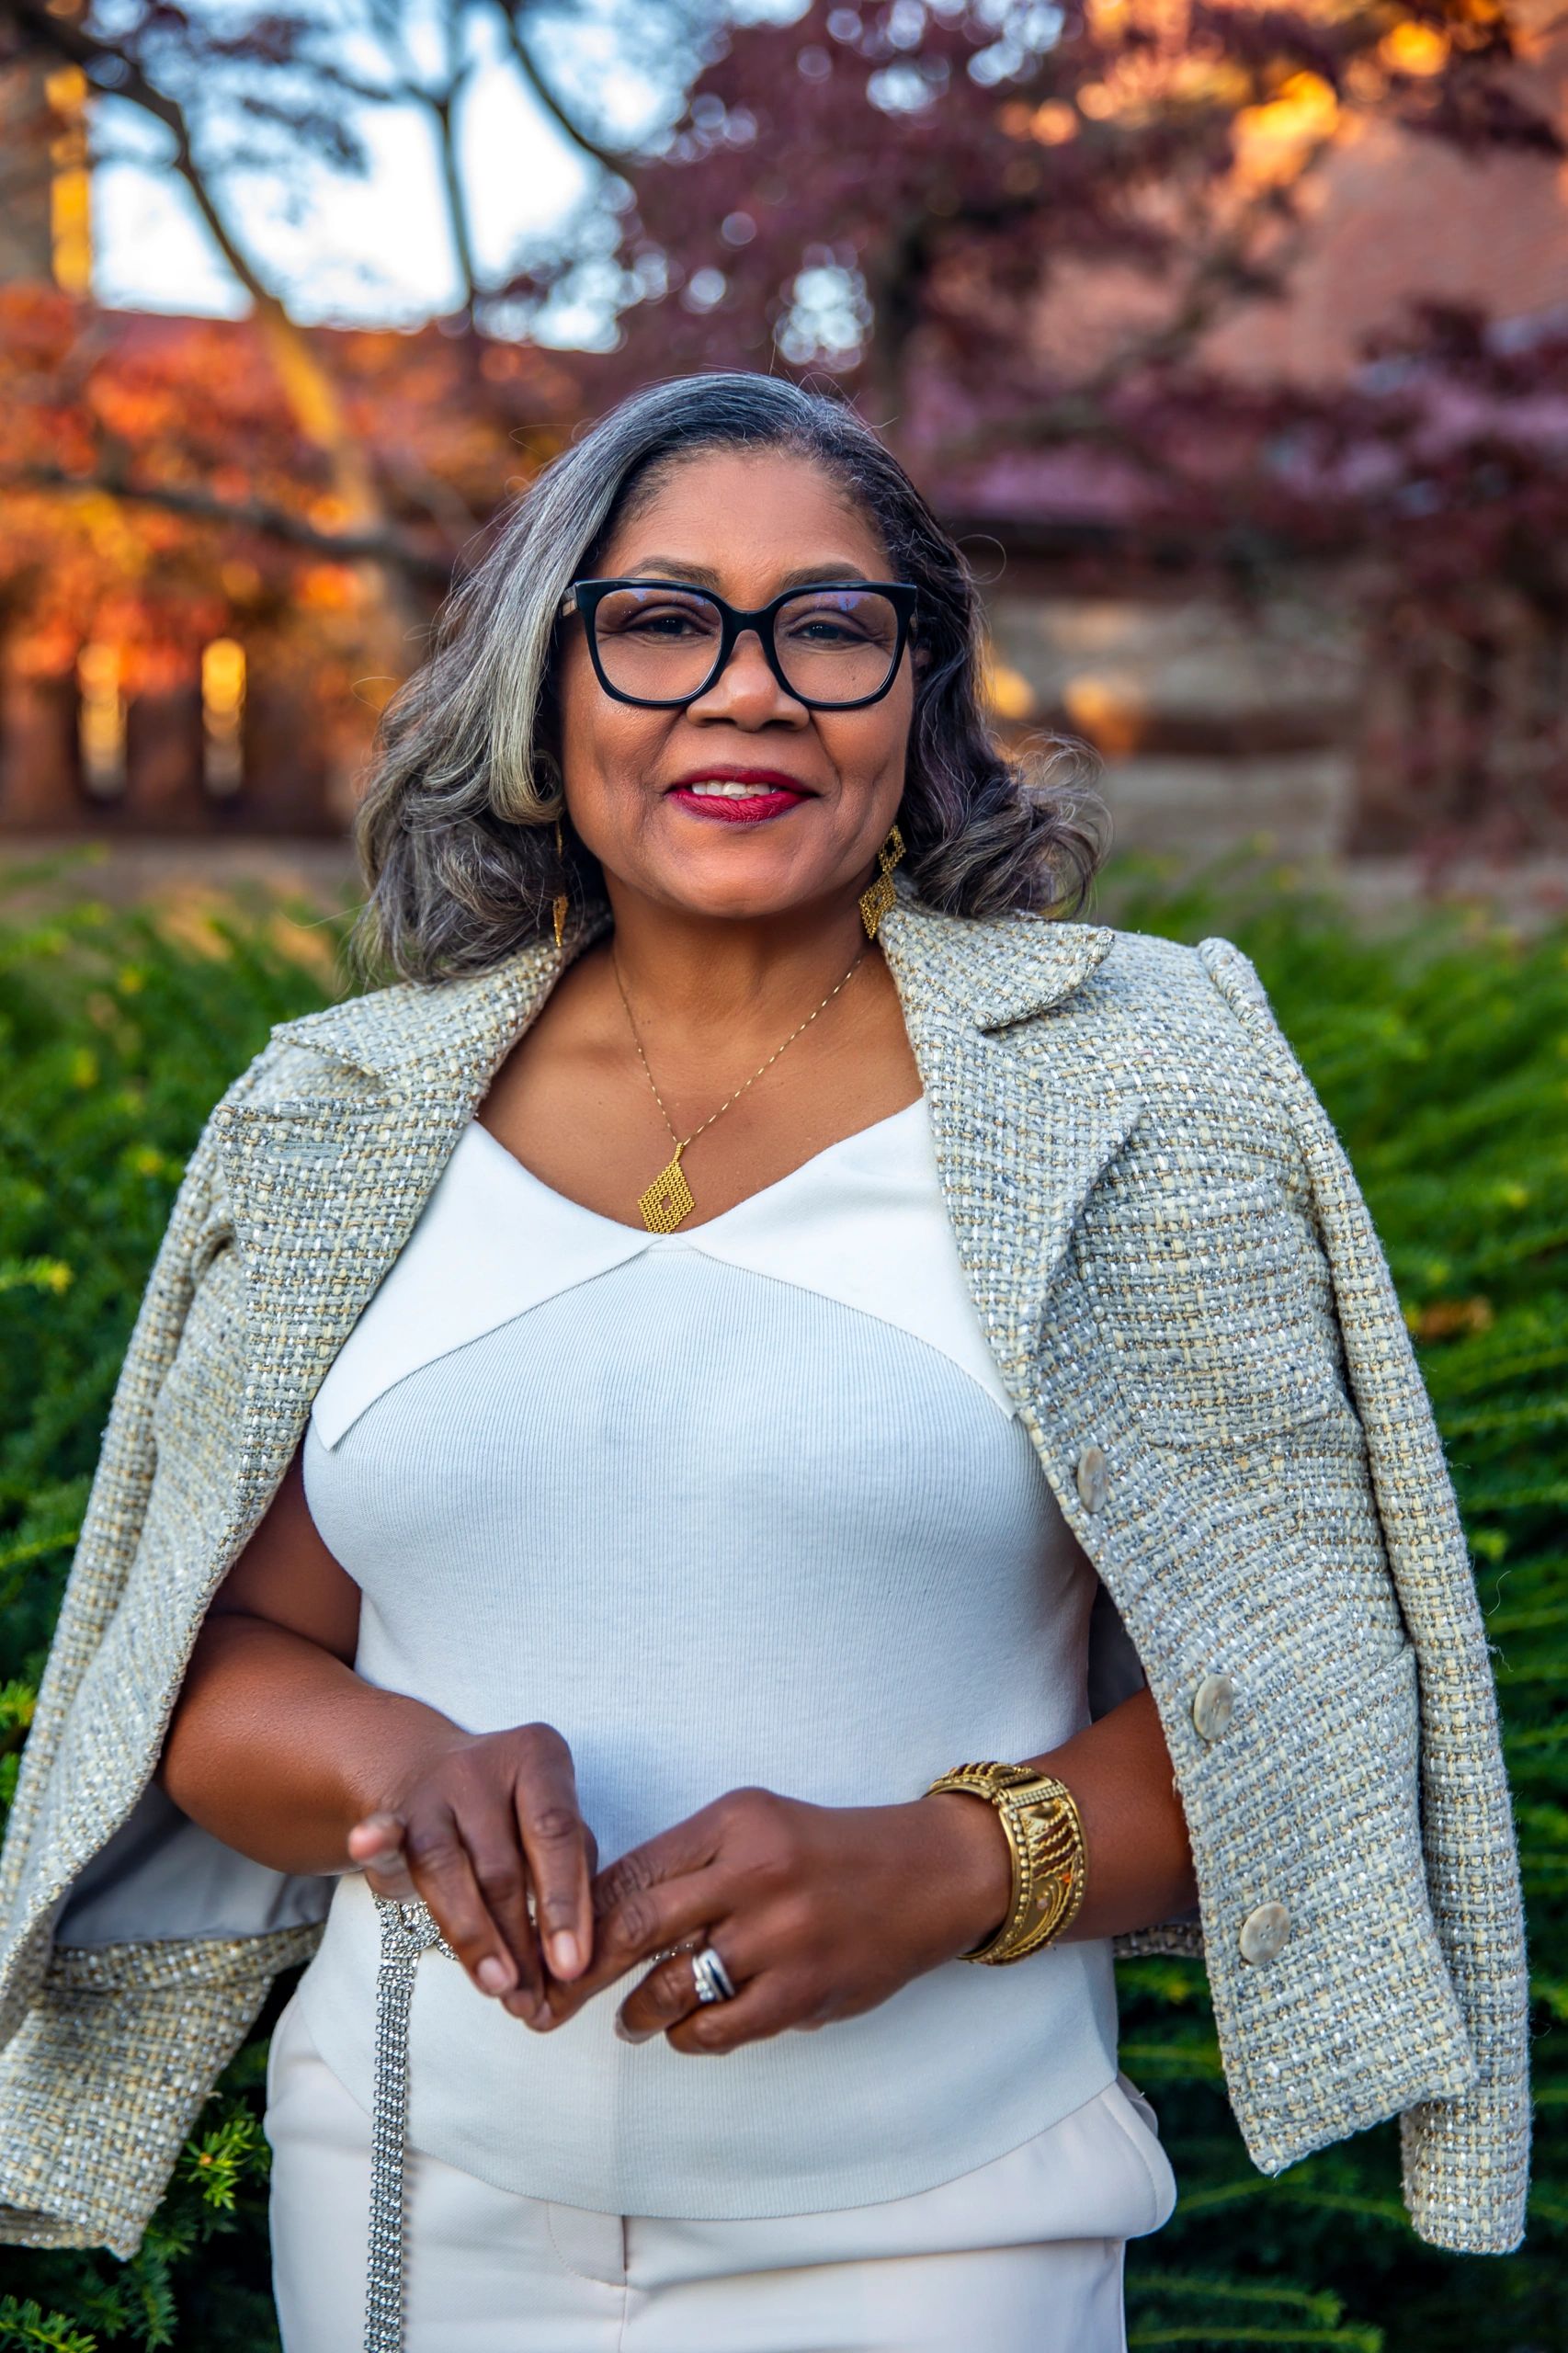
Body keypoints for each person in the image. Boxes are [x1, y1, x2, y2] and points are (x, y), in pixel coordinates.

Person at [0, 374, 1528, 2353]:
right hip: (406, 2204)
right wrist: (407, 1766)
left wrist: (958, 1862)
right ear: (549, 686)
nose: (747, 690)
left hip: (940, 2227)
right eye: (660, 622)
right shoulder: (337, 1113)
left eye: (828, 623)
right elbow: (207, 1671)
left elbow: (1304, 1688)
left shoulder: (1140, 1078)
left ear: (918, 689)